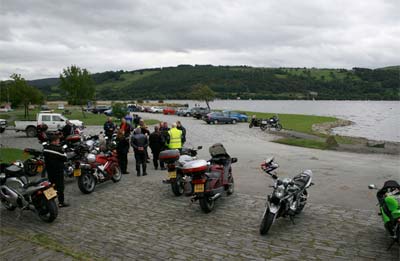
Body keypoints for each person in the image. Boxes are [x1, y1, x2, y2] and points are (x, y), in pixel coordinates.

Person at [43, 135, 69, 207]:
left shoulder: (46, 148)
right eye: (58, 141)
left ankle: (50, 202)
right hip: (58, 170)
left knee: (50, 185)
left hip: (49, 170)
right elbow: (65, 158)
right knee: (60, 186)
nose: (59, 142)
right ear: (54, 141)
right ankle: (61, 202)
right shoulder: (59, 149)